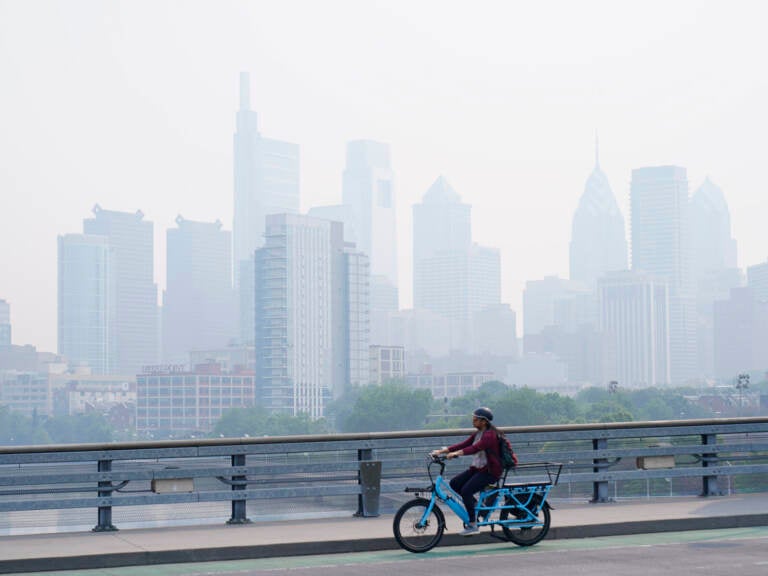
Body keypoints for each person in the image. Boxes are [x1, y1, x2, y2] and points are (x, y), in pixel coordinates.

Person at [431, 406, 502, 536]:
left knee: (466, 491)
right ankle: (475, 506)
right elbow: (464, 444)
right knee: (455, 483)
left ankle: (473, 524)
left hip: (490, 472)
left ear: (484, 421)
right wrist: (442, 451)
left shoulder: (489, 436)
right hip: (478, 469)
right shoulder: (478, 434)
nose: (473, 420)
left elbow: (475, 448)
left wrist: (456, 454)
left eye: (475, 419)